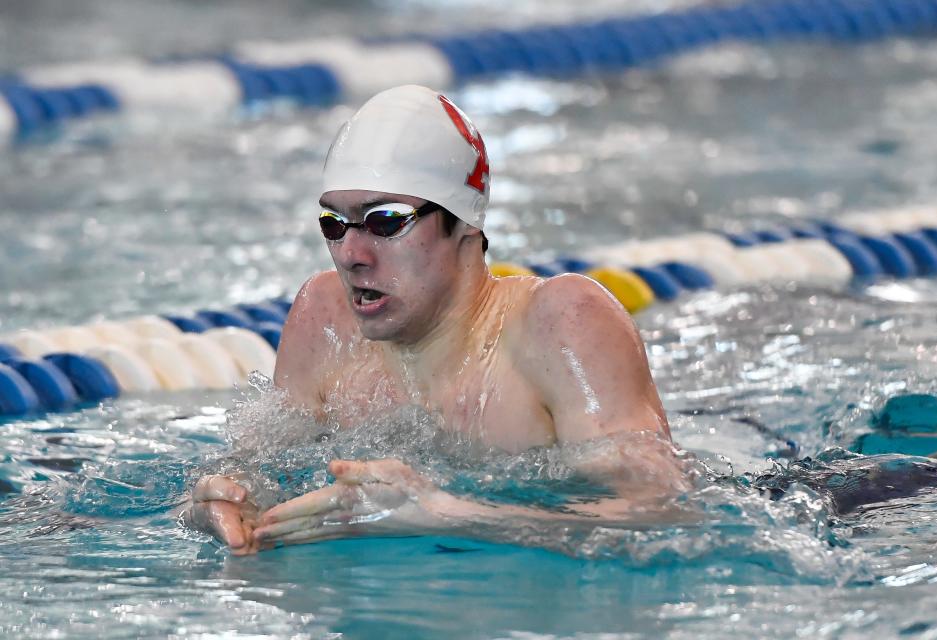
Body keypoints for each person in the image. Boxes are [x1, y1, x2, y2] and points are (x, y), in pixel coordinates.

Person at [181, 85, 691, 555]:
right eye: (333, 224)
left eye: (385, 221)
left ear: (463, 224)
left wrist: (449, 514)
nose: (350, 253)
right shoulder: (324, 318)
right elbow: (260, 468)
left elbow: (660, 514)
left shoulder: (561, 324)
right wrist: (218, 502)